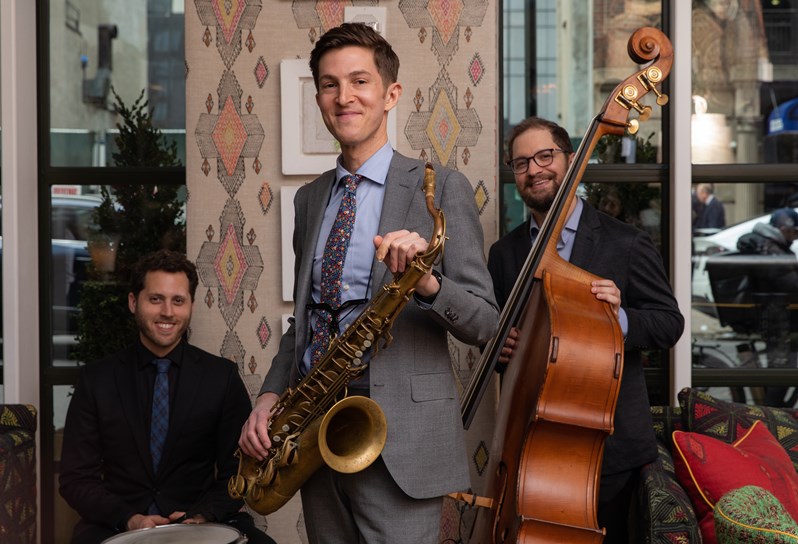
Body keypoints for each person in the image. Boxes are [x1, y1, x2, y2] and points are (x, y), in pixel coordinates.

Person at [238, 23, 499, 544]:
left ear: (390, 94)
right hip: (314, 432)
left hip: (402, 440)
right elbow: (307, 319)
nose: (344, 97)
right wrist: (269, 397)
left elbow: (485, 321)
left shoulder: (441, 187)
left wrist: (426, 284)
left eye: (359, 81)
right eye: (330, 85)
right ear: (318, 99)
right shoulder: (310, 199)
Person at [487, 116, 684, 543]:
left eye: (545, 156)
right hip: (531, 444)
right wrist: (503, 349)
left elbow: (669, 323)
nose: (534, 169)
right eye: (521, 163)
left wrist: (620, 320)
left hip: (611, 447)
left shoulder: (625, 242)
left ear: (572, 161)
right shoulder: (504, 254)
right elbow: (505, 339)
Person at [59, 249, 275, 544]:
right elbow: (75, 479)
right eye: (155, 299)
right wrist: (129, 518)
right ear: (134, 302)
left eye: (178, 301)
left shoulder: (221, 377)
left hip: (202, 520)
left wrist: (201, 517)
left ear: (191, 306)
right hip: (117, 525)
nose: (168, 313)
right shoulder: (96, 380)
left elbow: (239, 473)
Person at [736, 208, 798, 407]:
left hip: (778, 314)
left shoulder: (768, 245)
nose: (795, 237)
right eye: (794, 232)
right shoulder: (770, 249)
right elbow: (791, 283)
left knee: (783, 368)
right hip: (778, 318)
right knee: (782, 371)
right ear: (783, 228)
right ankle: (771, 417)